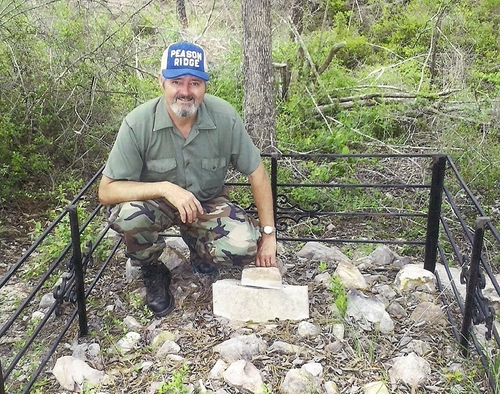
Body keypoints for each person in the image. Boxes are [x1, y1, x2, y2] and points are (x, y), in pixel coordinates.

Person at [98, 41, 277, 318]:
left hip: (206, 203)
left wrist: (268, 235)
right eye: (177, 81)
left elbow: (258, 173)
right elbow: (106, 191)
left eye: (195, 83)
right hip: (155, 205)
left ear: (205, 86)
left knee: (243, 247)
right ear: (161, 82)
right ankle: (152, 267)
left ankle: (199, 249)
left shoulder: (225, 117)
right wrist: (165, 188)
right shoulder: (138, 123)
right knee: (130, 215)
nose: (185, 91)